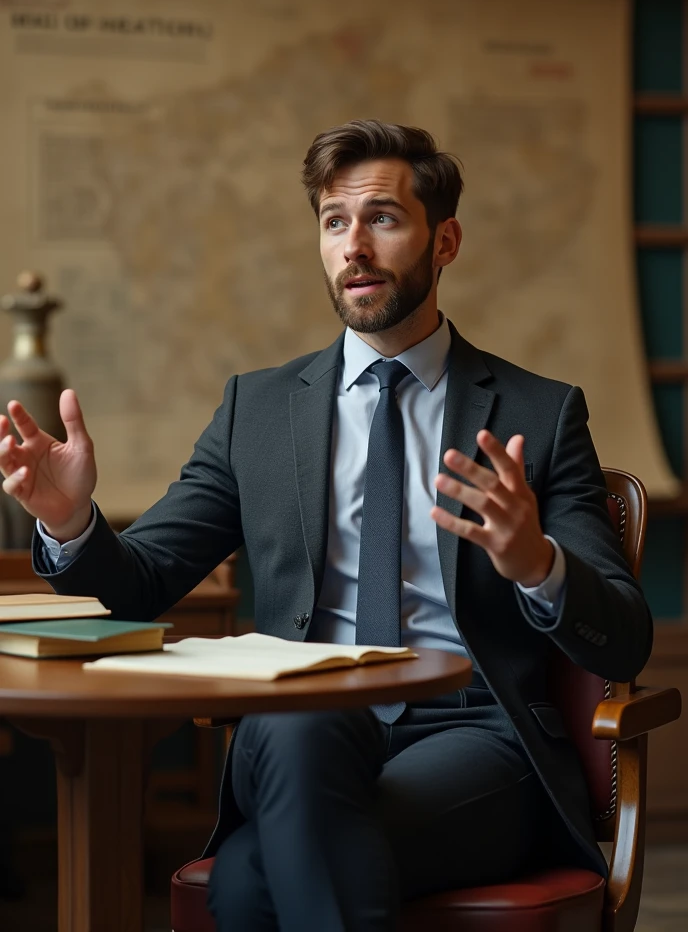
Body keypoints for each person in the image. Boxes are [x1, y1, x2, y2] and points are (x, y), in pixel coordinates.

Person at [0, 120, 651, 932]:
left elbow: (623, 638)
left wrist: (536, 564)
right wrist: (70, 522)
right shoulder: (258, 411)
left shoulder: (538, 415)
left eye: (381, 217)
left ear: (444, 240)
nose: (354, 246)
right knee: (297, 736)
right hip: (303, 724)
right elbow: (144, 578)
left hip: (475, 734)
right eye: (334, 221)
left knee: (247, 879)